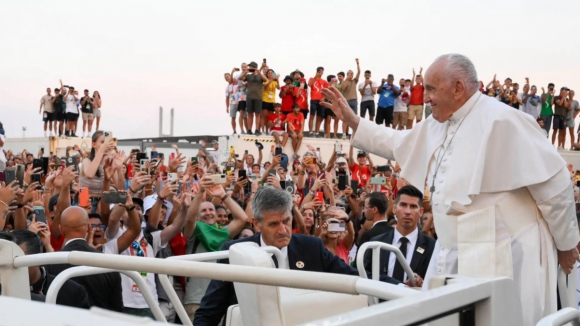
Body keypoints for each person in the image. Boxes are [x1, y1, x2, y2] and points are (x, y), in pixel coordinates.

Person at [321, 53, 580, 325]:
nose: (426, 97)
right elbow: (396, 142)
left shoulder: (505, 120)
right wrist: (353, 120)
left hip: (508, 253)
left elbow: (554, 186)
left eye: (432, 89)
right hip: (454, 251)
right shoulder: (437, 123)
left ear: (458, 88)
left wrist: (565, 243)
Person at [193, 187, 406, 326]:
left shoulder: (311, 247)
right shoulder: (235, 253)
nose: (283, 230)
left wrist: (401, 288)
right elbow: (210, 311)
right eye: (273, 224)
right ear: (256, 224)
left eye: (286, 221)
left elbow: (355, 276)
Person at [46, 206, 123, 312]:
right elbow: (117, 309)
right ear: (88, 228)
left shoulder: (50, 262)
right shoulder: (108, 262)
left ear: (61, 230)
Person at [0, 230, 91, 309]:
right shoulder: (2, 288)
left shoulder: (70, 291)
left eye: (17, 260)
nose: (9, 265)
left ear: (37, 260)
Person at [364, 186, 436, 282]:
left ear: (421, 212)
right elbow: (365, 275)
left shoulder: (432, 247)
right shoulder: (377, 243)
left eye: (413, 206)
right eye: (403, 205)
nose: (407, 212)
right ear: (394, 209)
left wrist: (422, 285)